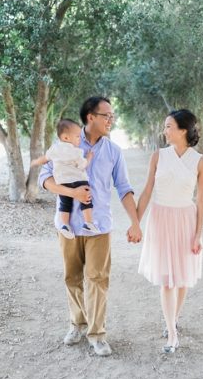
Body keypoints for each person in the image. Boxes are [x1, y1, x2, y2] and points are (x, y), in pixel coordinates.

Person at [38, 96, 142, 357]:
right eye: (106, 115)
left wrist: (135, 222)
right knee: (72, 277)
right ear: (90, 117)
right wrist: (71, 194)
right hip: (68, 226)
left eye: (112, 116)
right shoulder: (65, 143)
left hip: (99, 227)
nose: (111, 120)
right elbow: (45, 179)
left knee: (97, 278)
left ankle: (97, 334)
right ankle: (78, 324)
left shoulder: (114, 152)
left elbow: (124, 189)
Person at [136, 109, 203, 354]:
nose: (164, 131)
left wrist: (198, 234)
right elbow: (146, 191)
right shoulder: (158, 156)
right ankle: (172, 334)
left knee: (183, 276)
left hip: (186, 220)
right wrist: (136, 221)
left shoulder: (200, 161)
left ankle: (174, 319)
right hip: (161, 218)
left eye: (168, 126)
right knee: (167, 280)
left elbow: (202, 200)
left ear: (183, 130)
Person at [31, 118, 99, 238]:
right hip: (78, 180)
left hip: (62, 182)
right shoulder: (76, 151)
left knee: (65, 204)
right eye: (77, 136)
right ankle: (88, 222)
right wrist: (89, 157)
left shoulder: (54, 149)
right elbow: (83, 165)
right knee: (86, 199)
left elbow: (45, 159)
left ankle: (65, 225)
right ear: (66, 138)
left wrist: (36, 161)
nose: (80, 139)